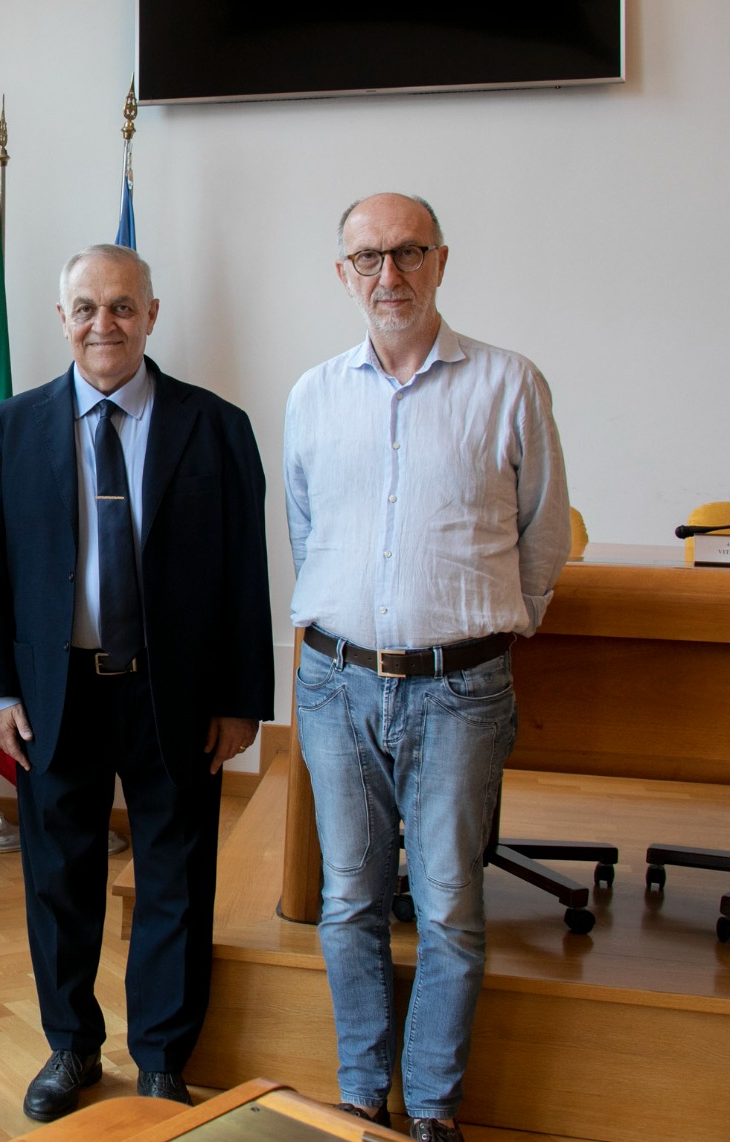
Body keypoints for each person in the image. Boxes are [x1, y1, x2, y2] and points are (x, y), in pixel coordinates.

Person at [283, 193, 570, 1142]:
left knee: (448, 905)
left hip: (460, 691)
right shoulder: (313, 394)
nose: (388, 276)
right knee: (349, 899)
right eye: (367, 258)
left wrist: (492, 627)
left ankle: (434, 1108)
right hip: (334, 686)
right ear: (343, 275)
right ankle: (363, 1093)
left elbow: (540, 537)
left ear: (441, 262)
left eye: (407, 254)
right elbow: (310, 533)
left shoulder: (508, 383)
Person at [0, 243, 274, 1123]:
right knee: (59, 878)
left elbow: (246, 575)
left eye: (122, 307)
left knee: (177, 877)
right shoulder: (17, 428)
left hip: (171, 692)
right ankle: (70, 1047)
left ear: (151, 314)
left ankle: (161, 1059)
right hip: (54, 693)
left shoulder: (216, 426)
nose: (104, 324)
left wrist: (241, 698)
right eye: (86, 308)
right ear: (62, 318)